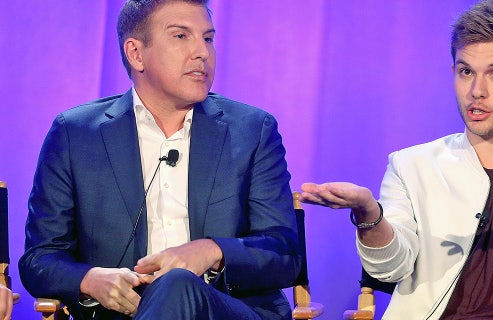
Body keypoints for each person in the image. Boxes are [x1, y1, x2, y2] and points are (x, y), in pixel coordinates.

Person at [300, 0, 493, 319]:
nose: (477, 90)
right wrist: (369, 213)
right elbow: (390, 269)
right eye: (466, 72)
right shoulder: (411, 165)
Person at [19, 0, 301, 319]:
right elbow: (39, 260)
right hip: (121, 313)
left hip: (230, 309)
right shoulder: (75, 134)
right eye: (181, 36)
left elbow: (284, 254)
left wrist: (212, 251)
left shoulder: (252, 131)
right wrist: (90, 279)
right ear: (136, 53)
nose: (202, 52)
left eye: (208, 38)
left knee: (178, 284)